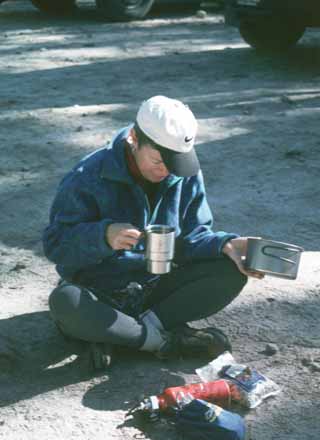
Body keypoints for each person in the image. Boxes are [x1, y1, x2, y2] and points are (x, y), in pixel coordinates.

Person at [43, 95, 262, 370]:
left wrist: (227, 245)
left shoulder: (182, 171)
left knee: (230, 270)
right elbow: (55, 245)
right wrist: (103, 235)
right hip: (99, 291)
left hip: (157, 289)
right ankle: (161, 339)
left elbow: (194, 236)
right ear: (134, 138)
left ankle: (126, 335)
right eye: (159, 161)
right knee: (66, 302)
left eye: (174, 163)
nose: (167, 171)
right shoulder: (87, 176)